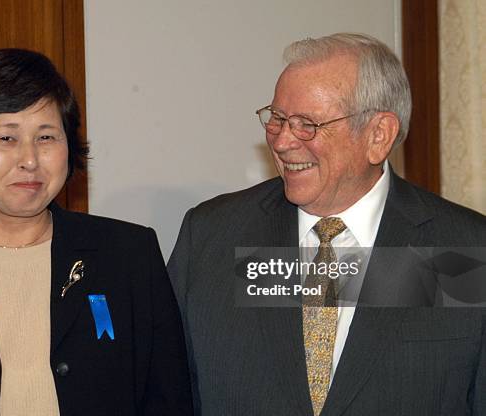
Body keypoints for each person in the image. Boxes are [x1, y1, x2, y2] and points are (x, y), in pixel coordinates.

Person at [168, 33, 486, 415]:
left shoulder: (465, 249)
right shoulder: (211, 236)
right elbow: (167, 392)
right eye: (278, 119)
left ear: (378, 135)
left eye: (307, 125)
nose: (283, 142)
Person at [0, 49, 193, 415]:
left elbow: (167, 398)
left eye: (46, 138)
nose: (29, 159)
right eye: (6, 138)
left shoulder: (128, 254)